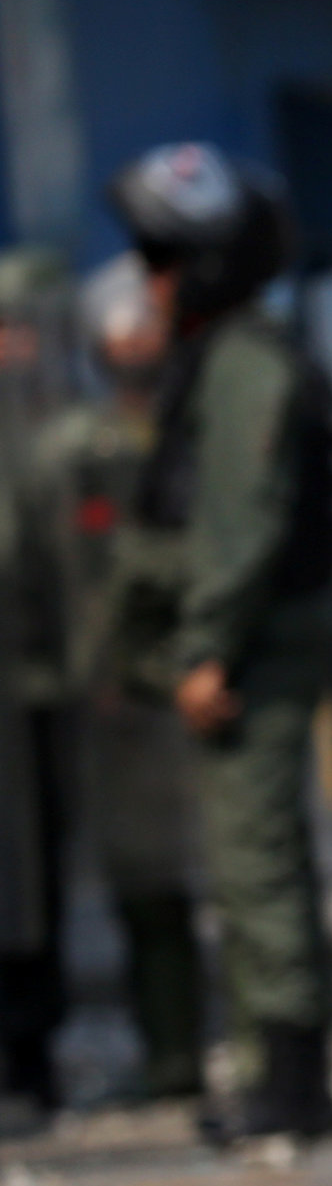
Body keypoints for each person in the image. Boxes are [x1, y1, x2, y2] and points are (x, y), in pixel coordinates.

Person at [110, 144, 332, 1145]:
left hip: (251, 649)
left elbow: (240, 520)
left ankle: (288, 1087)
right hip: (245, 641)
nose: (149, 285)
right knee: (251, 860)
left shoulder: (247, 361)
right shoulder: (223, 356)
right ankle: (278, 1075)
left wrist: (205, 647)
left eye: (164, 261)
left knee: (256, 865)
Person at [20, 256, 205, 1100]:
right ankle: (164, 1051)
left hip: (195, 680)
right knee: (128, 879)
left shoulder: (199, 431)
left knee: (220, 871)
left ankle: (215, 1046)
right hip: (100, 698)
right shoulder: (68, 451)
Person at [0, 245, 72, 1108]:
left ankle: (34, 1046)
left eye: (22, 332)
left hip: (59, 689)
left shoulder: (72, 427)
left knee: (44, 872)